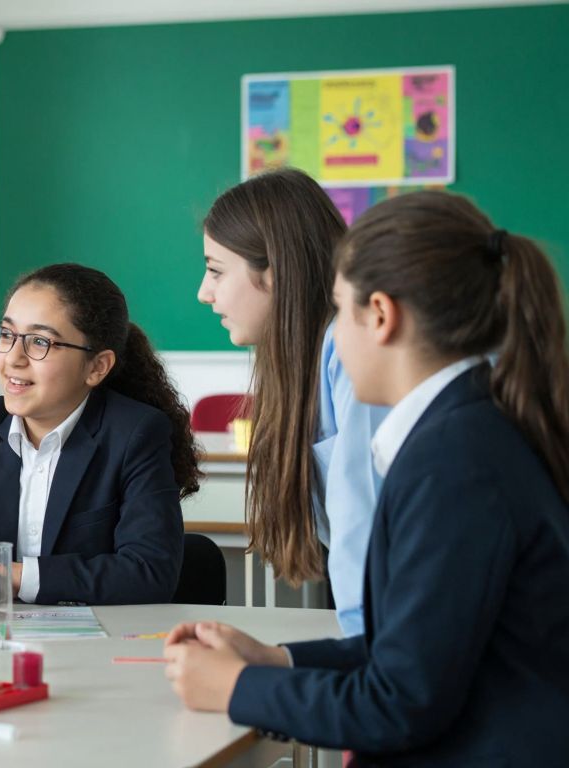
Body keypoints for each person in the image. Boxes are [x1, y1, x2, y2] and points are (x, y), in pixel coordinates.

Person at [166, 191, 569, 764]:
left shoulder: (454, 463)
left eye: (337, 308)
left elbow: (399, 702)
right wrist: (277, 662)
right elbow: (408, 655)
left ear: (380, 315)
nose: (329, 334)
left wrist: (234, 689)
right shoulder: (461, 434)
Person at [0, 264, 198, 616]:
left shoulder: (135, 433)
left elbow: (149, 571)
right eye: (6, 335)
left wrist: (18, 577)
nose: (13, 359)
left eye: (40, 342)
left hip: (99, 650)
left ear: (97, 367)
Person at [197, 168, 387, 635]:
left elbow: (366, 541)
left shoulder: (350, 355)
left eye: (217, 270)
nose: (204, 293)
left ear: (275, 272)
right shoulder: (309, 360)